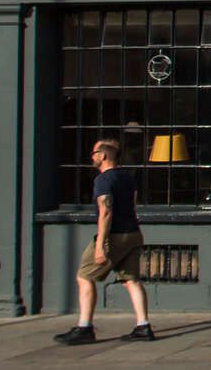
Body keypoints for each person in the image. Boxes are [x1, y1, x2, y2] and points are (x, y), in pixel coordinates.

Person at [53, 138, 154, 344]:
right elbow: (133, 206)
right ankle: (143, 326)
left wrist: (100, 245)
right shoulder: (128, 178)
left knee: (84, 277)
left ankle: (84, 327)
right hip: (133, 233)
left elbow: (105, 212)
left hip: (114, 235)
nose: (92, 157)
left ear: (103, 155)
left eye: (94, 153)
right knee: (131, 280)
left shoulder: (103, 180)